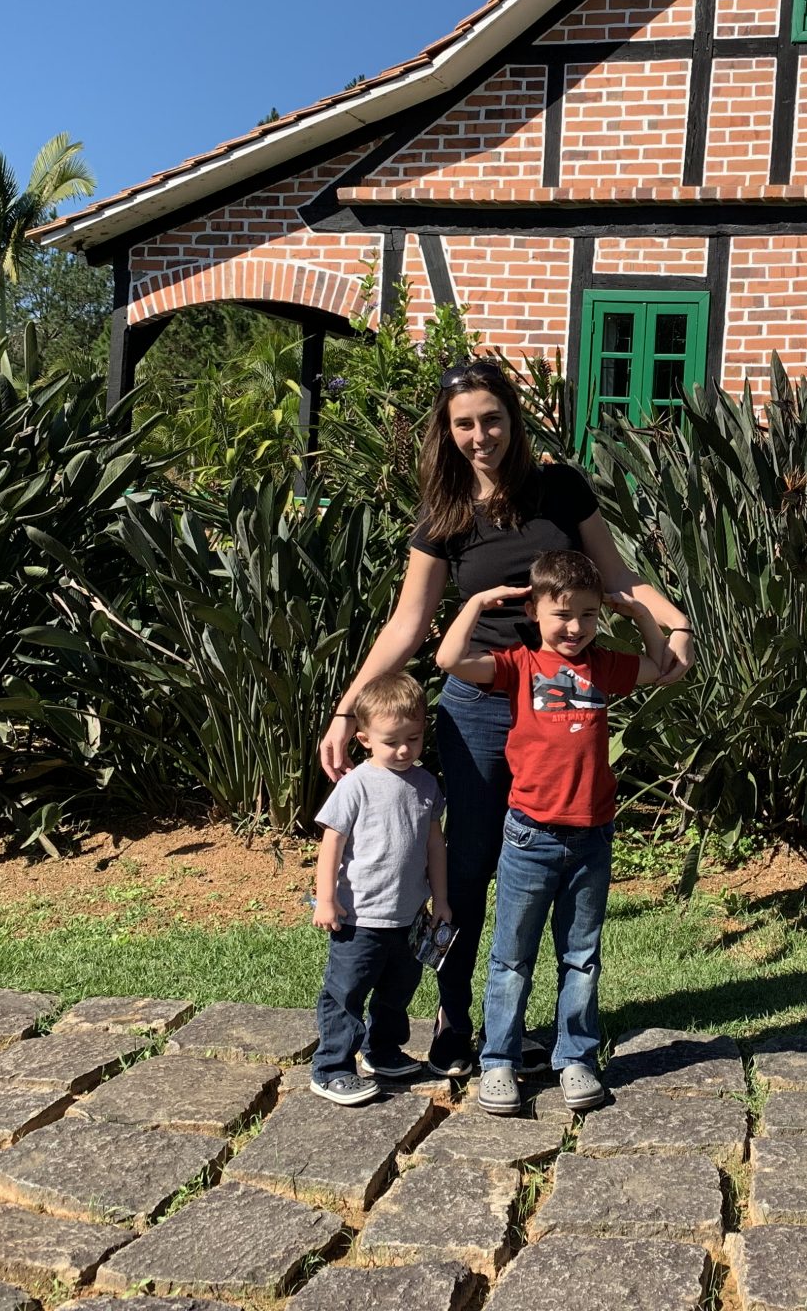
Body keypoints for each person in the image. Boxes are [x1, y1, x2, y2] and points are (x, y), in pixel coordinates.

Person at [317, 359, 694, 1079]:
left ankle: (517, 1028)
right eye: (464, 423)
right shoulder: (445, 514)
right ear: (447, 430)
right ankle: (457, 1026)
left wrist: (675, 623)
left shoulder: (559, 488)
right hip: (482, 709)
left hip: (562, 706)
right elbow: (408, 624)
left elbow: (616, 577)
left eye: (491, 419)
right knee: (467, 870)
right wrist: (347, 707)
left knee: (551, 867)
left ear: (513, 418)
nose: (479, 435)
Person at [436, 550, 675, 1113]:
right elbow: (450, 659)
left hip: (591, 838)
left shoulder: (605, 666)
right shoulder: (518, 665)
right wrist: (475, 602)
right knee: (511, 957)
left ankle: (576, 1058)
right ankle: (498, 1059)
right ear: (536, 613)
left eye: (588, 615)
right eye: (562, 615)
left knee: (581, 956)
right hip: (529, 836)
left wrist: (637, 611)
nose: (575, 627)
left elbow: (661, 666)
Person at [310, 671, 449, 1105]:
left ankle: (382, 1050)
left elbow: (434, 843)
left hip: (407, 915)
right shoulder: (356, 785)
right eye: (392, 741)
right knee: (346, 992)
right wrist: (327, 898)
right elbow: (331, 843)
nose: (404, 749)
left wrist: (440, 899)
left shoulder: (426, 785)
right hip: (359, 917)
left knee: (398, 990)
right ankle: (331, 1067)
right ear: (364, 738)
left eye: (414, 738)